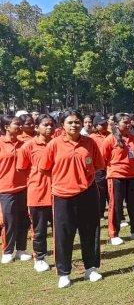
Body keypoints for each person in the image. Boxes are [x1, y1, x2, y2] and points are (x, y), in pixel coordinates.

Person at [39, 110, 104, 288]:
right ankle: (64, 273)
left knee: (90, 232)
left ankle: (91, 268)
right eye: (70, 122)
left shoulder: (89, 143)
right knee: (63, 235)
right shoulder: (54, 144)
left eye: (77, 122)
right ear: (62, 125)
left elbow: (98, 165)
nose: (74, 125)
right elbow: (45, 169)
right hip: (62, 195)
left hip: (88, 193)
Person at [101, 113, 134, 245]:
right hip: (117, 177)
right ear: (116, 124)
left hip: (133, 176)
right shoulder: (110, 140)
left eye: (129, 122)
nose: (128, 124)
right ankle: (113, 234)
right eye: (125, 122)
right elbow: (103, 159)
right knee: (116, 206)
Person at [17, 114, 55, 271]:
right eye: (45, 125)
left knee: (60, 229)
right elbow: (22, 169)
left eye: (51, 125)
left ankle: (61, 256)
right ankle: (39, 257)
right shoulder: (28, 146)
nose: (49, 127)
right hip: (38, 193)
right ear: (37, 127)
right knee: (39, 230)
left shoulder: (57, 144)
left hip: (58, 193)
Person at [0, 115, 32, 264]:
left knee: (23, 220)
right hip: (5, 189)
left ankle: (21, 249)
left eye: (20, 125)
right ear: (6, 127)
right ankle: (7, 250)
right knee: (9, 221)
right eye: (16, 125)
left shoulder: (23, 144)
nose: (20, 127)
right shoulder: (0, 143)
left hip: (24, 187)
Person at [88, 115, 110, 221]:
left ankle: (116, 214)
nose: (105, 126)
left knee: (111, 192)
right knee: (100, 191)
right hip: (98, 169)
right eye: (102, 125)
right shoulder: (92, 138)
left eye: (106, 124)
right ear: (96, 126)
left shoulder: (111, 135)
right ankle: (100, 213)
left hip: (110, 167)